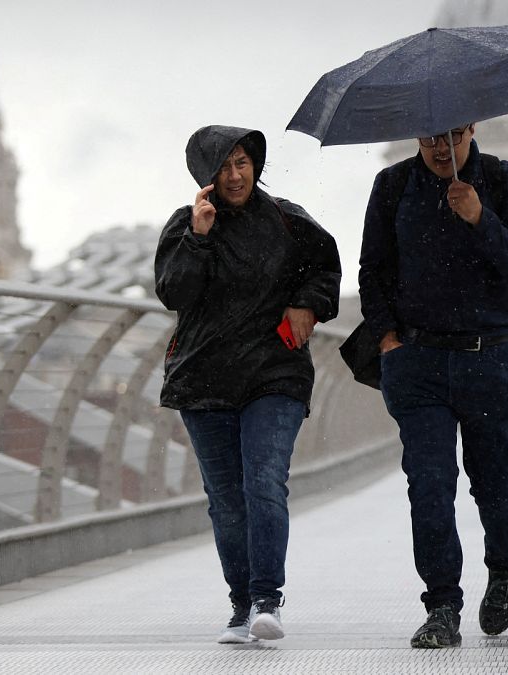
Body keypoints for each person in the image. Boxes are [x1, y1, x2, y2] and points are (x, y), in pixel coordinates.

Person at [154, 125, 341, 642]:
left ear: (256, 165)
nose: (236, 175)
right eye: (224, 166)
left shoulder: (288, 220)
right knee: (226, 498)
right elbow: (174, 293)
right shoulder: (185, 226)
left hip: (273, 373)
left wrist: (307, 303)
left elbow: (327, 270)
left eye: (243, 162)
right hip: (204, 378)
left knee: (263, 480)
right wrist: (199, 237)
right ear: (205, 174)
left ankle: (266, 599)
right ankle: (240, 604)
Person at [358, 123, 508, 648]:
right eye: (427, 136)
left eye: (452, 135)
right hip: (419, 362)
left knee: (498, 482)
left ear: (472, 129)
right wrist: (390, 340)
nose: (441, 147)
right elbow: (374, 270)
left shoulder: (505, 183)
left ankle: (503, 570)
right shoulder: (392, 187)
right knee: (429, 486)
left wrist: (481, 218)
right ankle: (442, 604)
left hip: (493, 356)